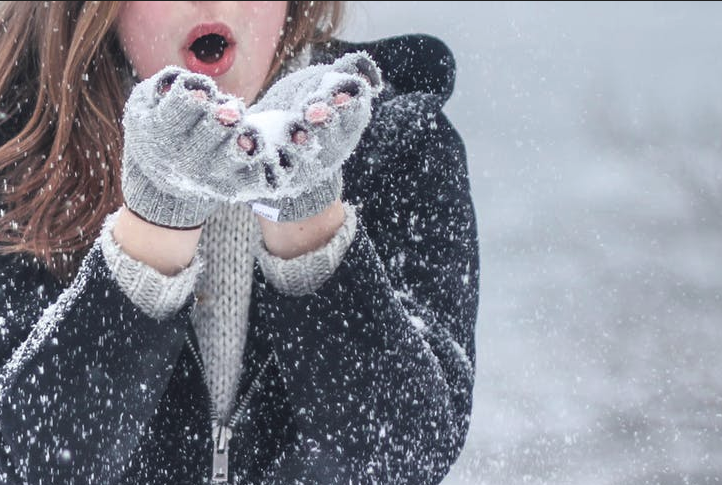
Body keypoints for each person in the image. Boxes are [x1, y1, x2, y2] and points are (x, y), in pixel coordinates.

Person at [0, 1, 479, 484]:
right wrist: (156, 223)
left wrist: (309, 221)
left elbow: (408, 454)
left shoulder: (403, 147)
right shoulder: (17, 159)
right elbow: (28, 464)